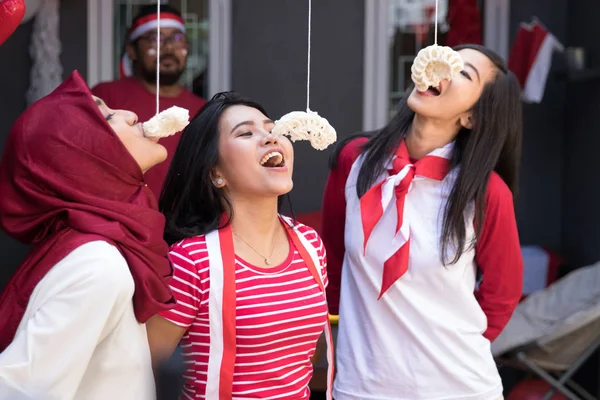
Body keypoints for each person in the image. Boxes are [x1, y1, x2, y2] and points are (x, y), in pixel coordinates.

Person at [321, 44, 524, 400]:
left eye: (462, 72)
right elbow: (333, 264)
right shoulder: (353, 161)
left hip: (459, 387)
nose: (441, 68)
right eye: (444, 57)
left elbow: (502, 294)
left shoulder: (486, 193)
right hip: (362, 387)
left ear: (472, 117)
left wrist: (445, 350)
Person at [146, 92, 333, 400]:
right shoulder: (192, 260)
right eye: (246, 133)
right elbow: (144, 366)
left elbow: (300, 357)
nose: (270, 138)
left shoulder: (310, 244)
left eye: (272, 130)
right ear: (215, 174)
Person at [0, 71, 174, 400]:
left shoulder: (92, 248)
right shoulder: (98, 266)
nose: (131, 114)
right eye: (108, 117)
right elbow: (20, 390)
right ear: (86, 155)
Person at [91, 4, 206, 199]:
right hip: (121, 218)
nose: (169, 46)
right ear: (132, 50)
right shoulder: (106, 98)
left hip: (184, 225)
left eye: (177, 38)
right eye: (156, 38)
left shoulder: (203, 110)